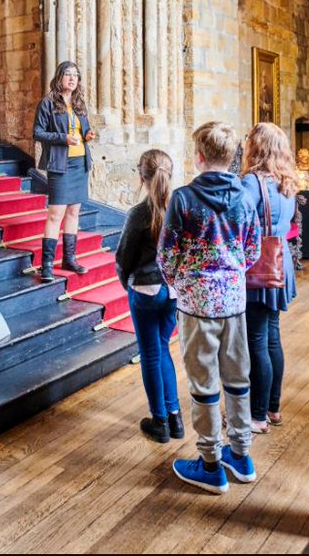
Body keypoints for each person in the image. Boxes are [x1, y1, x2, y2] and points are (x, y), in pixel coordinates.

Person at [158, 122, 261, 494]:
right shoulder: (245, 198)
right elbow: (253, 251)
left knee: (204, 383)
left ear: (199, 156)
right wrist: (230, 275)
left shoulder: (184, 198)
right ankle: (242, 454)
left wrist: (183, 281)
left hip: (196, 302)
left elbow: (166, 253)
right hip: (234, 301)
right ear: (231, 155)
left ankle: (210, 463)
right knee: (238, 379)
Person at [115, 149, 184, 444]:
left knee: (151, 354)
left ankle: (160, 421)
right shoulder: (179, 210)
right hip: (172, 290)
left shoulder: (139, 213)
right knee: (163, 348)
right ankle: (175, 417)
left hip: (145, 288)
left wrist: (126, 283)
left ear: (142, 178)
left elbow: (123, 257)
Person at [239, 123, 299, 433]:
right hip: (280, 262)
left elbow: (239, 224)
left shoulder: (252, 183)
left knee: (257, 342)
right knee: (272, 337)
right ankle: (273, 408)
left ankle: (257, 415)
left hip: (259, 266)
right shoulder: (286, 181)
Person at [32, 61, 97, 282]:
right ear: (59, 77)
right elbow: (37, 132)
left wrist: (88, 134)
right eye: (68, 74)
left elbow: (84, 129)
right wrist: (62, 138)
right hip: (60, 164)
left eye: (76, 75)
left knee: (73, 213)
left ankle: (69, 258)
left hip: (80, 163)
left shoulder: (79, 104)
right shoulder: (48, 102)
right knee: (56, 214)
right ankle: (47, 265)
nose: (72, 78)